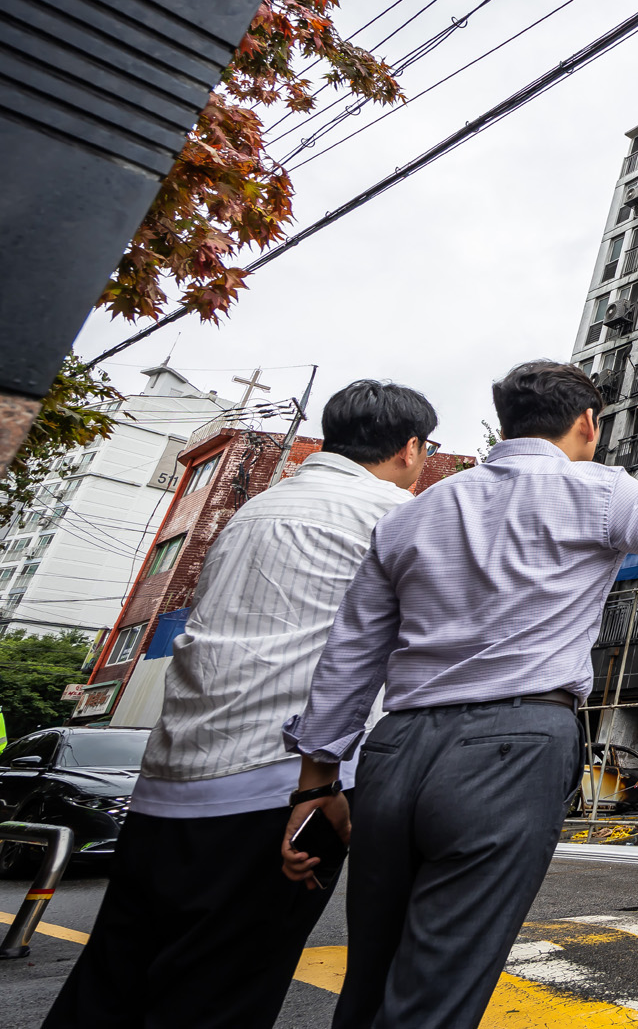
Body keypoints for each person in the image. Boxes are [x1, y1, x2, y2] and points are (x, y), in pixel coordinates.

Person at [280, 360, 638, 1029]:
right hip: (511, 746)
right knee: (439, 985)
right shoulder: (598, 490)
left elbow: (352, 652)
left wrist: (315, 784)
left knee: (369, 972)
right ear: (587, 424)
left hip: (396, 748)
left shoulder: (418, 510)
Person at [45, 380, 440, 1029]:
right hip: (275, 793)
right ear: (410, 448)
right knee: (220, 995)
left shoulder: (255, 509)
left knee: (113, 982)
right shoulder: (393, 516)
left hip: (166, 782)